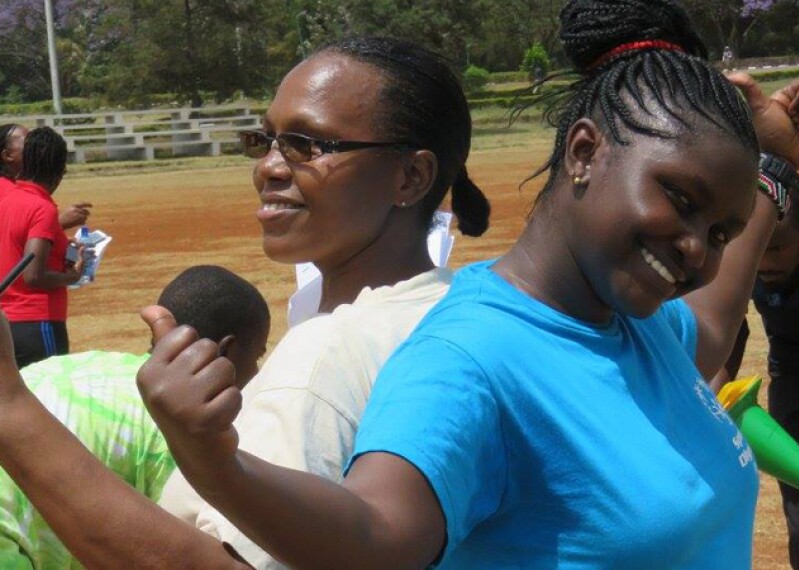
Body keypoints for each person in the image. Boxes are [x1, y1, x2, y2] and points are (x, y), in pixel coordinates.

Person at [129, 1, 799, 568]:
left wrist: (773, 168)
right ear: (585, 152)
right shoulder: (467, 358)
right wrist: (219, 467)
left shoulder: (635, 320)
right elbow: (378, 532)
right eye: (680, 200)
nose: (697, 254)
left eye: (719, 233)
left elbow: (710, 329)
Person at [0, 36, 489, 568]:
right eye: (266, 140)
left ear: (411, 176)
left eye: (307, 144)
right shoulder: (464, 309)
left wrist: (10, 408)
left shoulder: (325, 354)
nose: (270, 167)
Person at [0, 265, 270, 570]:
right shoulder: (181, 427)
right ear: (228, 351)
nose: (258, 374)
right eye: (258, 356)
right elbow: (162, 556)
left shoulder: (90, 366)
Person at [712, 191, 799, 567]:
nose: (765, 262)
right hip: (791, 373)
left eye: (777, 248)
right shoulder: (749, 266)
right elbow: (730, 330)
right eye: (758, 250)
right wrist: (710, 395)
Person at [0, 127, 87, 368]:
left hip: (7, 323)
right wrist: (70, 276)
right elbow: (33, 275)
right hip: (38, 323)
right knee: (48, 399)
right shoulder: (42, 208)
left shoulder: (7, 199)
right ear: (60, 170)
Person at [0, 123, 92, 230]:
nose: (36, 145)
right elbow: (9, 236)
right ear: (7, 155)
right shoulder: (6, 190)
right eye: (28, 143)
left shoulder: (15, 186)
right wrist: (59, 223)